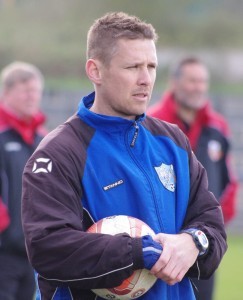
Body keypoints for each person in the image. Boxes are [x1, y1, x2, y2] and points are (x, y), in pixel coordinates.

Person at [21, 12, 227, 300]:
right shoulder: (60, 152)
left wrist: (194, 242)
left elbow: (210, 221)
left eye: (151, 66)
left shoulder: (172, 141)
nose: (146, 79)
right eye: (132, 67)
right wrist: (138, 252)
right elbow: (48, 248)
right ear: (95, 71)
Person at [147, 57, 238, 300]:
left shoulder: (217, 126)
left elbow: (228, 179)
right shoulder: (152, 123)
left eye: (203, 81)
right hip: (162, 246)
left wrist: (216, 225)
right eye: (192, 81)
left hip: (202, 245)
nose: (199, 87)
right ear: (174, 83)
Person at [0, 61, 46, 300]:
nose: (32, 97)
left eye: (36, 91)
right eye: (26, 91)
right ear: (7, 93)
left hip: (32, 251)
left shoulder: (43, 140)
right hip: (4, 250)